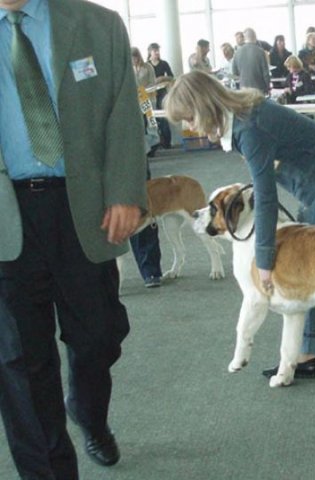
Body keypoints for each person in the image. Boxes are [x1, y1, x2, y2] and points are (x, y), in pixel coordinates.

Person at [0, 0, 147, 478]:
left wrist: (125, 189)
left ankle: (87, 412)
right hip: (7, 213)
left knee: (99, 335)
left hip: (83, 207)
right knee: (21, 361)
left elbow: (123, 110)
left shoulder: (96, 24)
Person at [164, 71, 315, 386]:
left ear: (203, 107)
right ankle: (306, 357)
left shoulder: (249, 128)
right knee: (308, 271)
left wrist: (265, 262)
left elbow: (267, 200)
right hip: (314, 180)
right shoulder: (241, 120)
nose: (190, 127)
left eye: (189, 118)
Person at [131, 47, 163, 287]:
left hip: (136, 157)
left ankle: (151, 270)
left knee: (144, 212)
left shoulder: (140, 94)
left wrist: (146, 144)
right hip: (104, 160)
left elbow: (151, 120)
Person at [147, 42, 174, 149]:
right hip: (149, 94)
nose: (157, 53)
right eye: (155, 51)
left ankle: (166, 142)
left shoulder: (164, 64)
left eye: (158, 50)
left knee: (163, 116)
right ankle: (154, 143)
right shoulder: (147, 65)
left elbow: (171, 76)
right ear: (150, 52)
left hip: (162, 91)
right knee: (151, 117)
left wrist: (163, 78)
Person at [232, 28, 271, 94]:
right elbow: (266, 74)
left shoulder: (237, 53)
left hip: (244, 90)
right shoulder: (261, 52)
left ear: (244, 38)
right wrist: (267, 89)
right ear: (255, 37)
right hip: (259, 90)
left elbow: (235, 73)